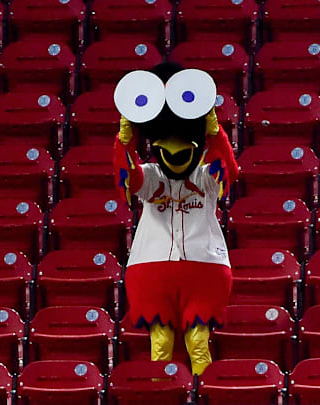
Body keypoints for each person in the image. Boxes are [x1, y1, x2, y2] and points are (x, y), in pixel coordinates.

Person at [112, 62, 238, 375]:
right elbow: (129, 178)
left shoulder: (205, 178)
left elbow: (228, 170)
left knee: (199, 342)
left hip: (203, 263)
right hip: (153, 264)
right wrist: (124, 140)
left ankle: (203, 392)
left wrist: (215, 131)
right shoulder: (153, 176)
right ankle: (162, 393)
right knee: (161, 344)